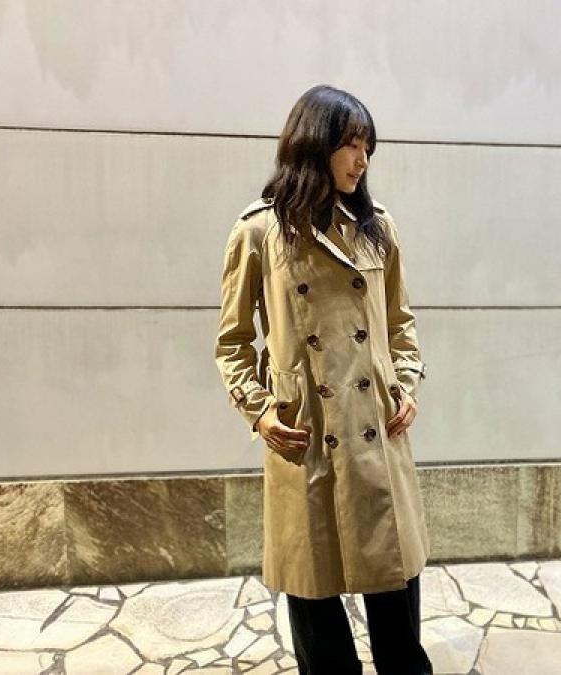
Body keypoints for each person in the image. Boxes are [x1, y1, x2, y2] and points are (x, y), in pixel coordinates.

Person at [213, 84, 433, 674]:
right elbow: (232, 342)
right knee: (315, 607)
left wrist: (406, 383)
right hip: (305, 433)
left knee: (396, 603)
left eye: (368, 148)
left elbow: (400, 324)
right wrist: (260, 411)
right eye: (351, 145)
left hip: (377, 429)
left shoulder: (377, 228)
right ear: (314, 144)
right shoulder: (259, 232)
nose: (362, 161)